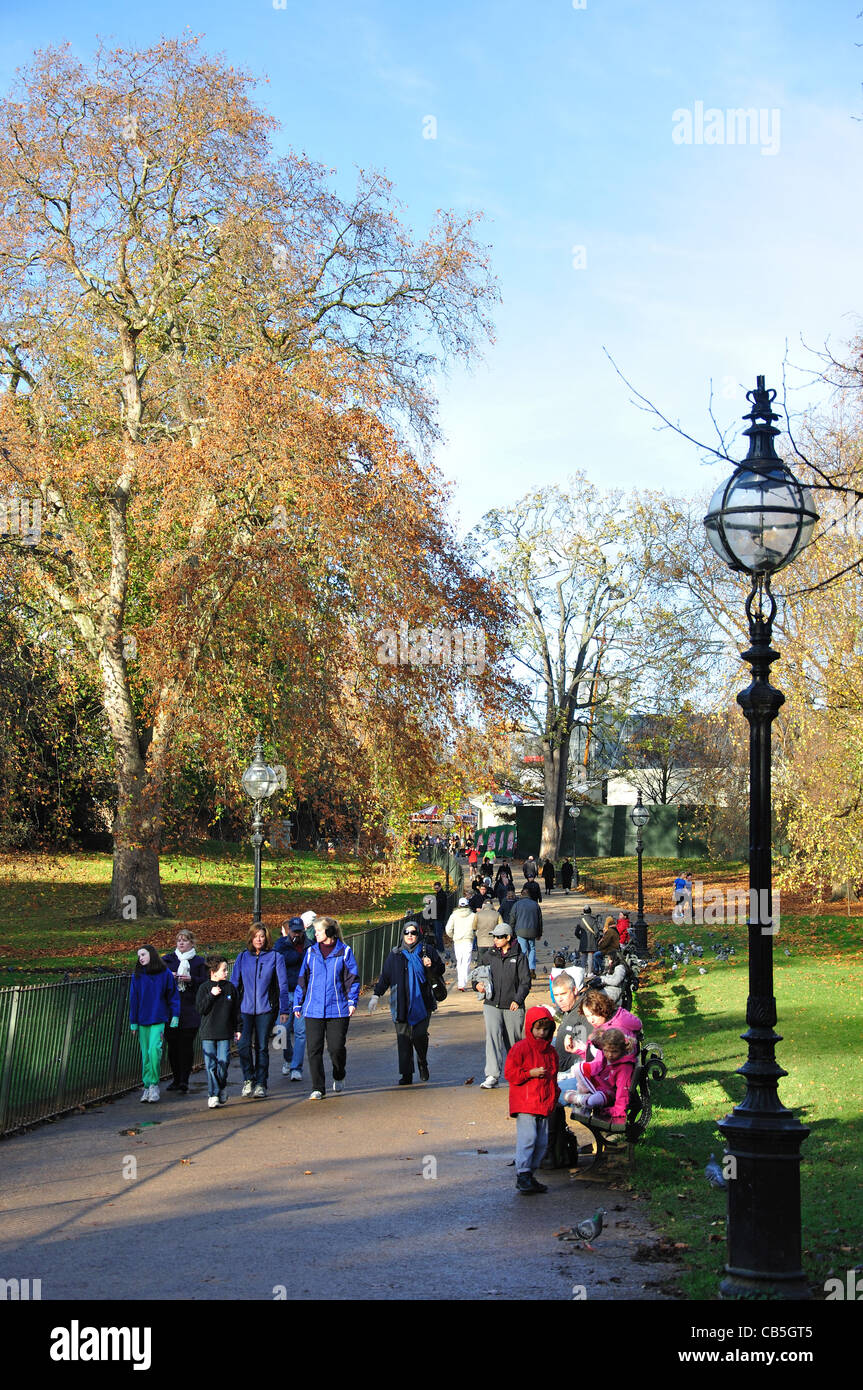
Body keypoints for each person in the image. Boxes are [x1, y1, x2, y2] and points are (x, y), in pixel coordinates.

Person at [369, 921, 445, 1084]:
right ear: (402, 935)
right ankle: (406, 1074)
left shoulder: (427, 951)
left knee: (419, 1035)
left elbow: (441, 969)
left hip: (423, 1001)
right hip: (401, 1002)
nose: (410, 936)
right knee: (403, 1038)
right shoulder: (395, 954)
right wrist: (376, 995)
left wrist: (431, 965)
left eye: (413, 933)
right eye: (407, 933)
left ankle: (422, 1062)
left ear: (418, 934)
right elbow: (385, 977)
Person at [293, 916, 359, 1099]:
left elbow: (352, 979)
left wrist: (352, 1001)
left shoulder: (344, 952)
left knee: (336, 1048)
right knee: (313, 1049)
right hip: (313, 1008)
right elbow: (302, 980)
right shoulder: (310, 952)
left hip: (337, 1008)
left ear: (329, 932)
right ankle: (318, 1088)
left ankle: (339, 1073)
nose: (315, 934)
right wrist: (298, 1002)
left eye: (319, 931)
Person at [504, 1005, 560, 1194]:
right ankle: (523, 1173)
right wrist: (530, 1073)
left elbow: (553, 1077)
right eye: (537, 1029)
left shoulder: (551, 1052)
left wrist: (554, 1097)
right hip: (526, 1102)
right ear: (530, 1027)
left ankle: (529, 1174)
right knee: (529, 1138)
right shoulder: (521, 1048)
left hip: (543, 1103)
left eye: (545, 1029)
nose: (541, 1033)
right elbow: (510, 1073)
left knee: (542, 1142)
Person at [231, 925, 291, 1100]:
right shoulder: (242, 957)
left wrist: (284, 1008)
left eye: (262, 936)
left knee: (262, 1046)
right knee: (242, 1045)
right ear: (250, 938)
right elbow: (234, 983)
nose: (259, 939)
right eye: (256, 936)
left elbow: (283, 984)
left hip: (266, 1008)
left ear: (266, 939)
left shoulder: (275, 957)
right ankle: (248, 1079)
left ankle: (261, 1083)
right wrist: (231, 1006)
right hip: (244, 1009)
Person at [474, 923, 531, 1089]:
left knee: (514, 1042)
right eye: (494, 937)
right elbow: (477, 973)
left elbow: (525, 982)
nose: (495, 940)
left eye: (499, 937)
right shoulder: (489, 954)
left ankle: (519, 1073)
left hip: (512, 1005)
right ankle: (492, 1075)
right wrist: (476, 984)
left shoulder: (520, 956)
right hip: (491, 1004)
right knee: (492, 1038)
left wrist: (518, 1000)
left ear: (508, 938)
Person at [129, 945, 180, 1103]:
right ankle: (146, 1085)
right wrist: (133, 1022)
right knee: (145, 1055)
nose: (141, 958)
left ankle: (154, 1084)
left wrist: (175, 1015)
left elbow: (173, 995)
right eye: (139, 956)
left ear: (151, 954)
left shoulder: (164, 974)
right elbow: (134, 999)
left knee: (154, 1051)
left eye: (143, 954)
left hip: (158, 1018)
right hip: (143, 1020)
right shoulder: (137, 975)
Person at [161, 930, 209, 1094]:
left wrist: (191, 980)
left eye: (185, 940)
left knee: (186, 1044)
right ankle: (175, 1078)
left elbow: (205, 983)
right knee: (173, 1045)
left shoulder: (198, 962)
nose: (181, 943)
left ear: (192, 943)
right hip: (171, 1009)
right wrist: (171, 977)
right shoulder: (168, 960)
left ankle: (184, 1080)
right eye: (179, 940)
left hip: (190, 1008)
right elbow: (159, 978)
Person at [559, 1027, 636, 1123]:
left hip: (608, 1095)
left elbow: (623, 1091)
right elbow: (594, 1062)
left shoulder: (624, 1067)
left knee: (593, 1101)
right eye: (606, 1051)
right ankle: (581, 1094)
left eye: (614, 1051)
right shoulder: (606, 1056)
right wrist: (578, 1050)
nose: (610, 1055)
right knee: (578, 1067)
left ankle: (581, 1099)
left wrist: (617, 1110)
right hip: (601, 1085)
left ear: (623, 1049)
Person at [195, 955, 241, 1108]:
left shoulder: (230, 988)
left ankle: (221, 1086)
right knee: (210, 1064)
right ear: (213, 972)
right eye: (223, 970)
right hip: (208, 1032)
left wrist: (238, 1029)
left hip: (224, 1031)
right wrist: (211, 995)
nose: (226, 973)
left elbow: (236, 1011)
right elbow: (201, 1009)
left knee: (223, 1062)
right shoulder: (204, 988)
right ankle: (213, 1093)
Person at [274, 917, 309, 1081]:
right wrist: (297, 953)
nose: (297, 934)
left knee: (301, 1032)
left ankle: (297, 1067)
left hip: (302, 993)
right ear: (289, 931)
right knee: (280, 1030)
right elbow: (280, 960)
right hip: (285, 992)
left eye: (299, 931)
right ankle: (288, 1058)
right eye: (294, 931)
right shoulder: (281, 945)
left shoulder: (309, 945)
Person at [444, 896, 478, 990]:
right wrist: (473, 934)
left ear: (459, 905)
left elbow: (448, 929)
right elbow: (476, 928)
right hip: (468, 940)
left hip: (458, 940)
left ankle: (460, 983)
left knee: (459, 961)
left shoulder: (454, 915)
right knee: (466, 962)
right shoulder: (473, 915)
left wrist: (453, 936)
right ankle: (463, 982)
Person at [510, 885, 543, 976]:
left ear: (521, 895)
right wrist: (539, 933)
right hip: (532, 931)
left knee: (523, 950)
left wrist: (512, 932)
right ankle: (532, 968)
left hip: (520, 931)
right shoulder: (535, 905)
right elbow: (540, 920)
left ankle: (523, 969)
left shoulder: (516, 905)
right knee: (532, 949)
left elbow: (512, 919)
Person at [574, 906, 597, 974]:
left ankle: (583, 972)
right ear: (590, 912)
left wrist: (581, 938)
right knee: (590, 958)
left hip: (583, 941)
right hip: (591, 941)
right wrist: (596, 939)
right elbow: (597, 932)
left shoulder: (581, 920)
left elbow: (576, 932)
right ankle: (589, 972)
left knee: (583, 957)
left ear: (583, 911)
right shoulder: (593, 920)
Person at [433, 880, 448, 954]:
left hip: (439, 917)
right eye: (435, 888)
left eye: (437, 888)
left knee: (438, 933)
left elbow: (440, 905)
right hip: (438, 916)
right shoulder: (439, 894)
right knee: (437, 933)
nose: (436, 890)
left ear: (440, 887)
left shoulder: (441, 895)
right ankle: (439, 947)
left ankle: (440, 948)